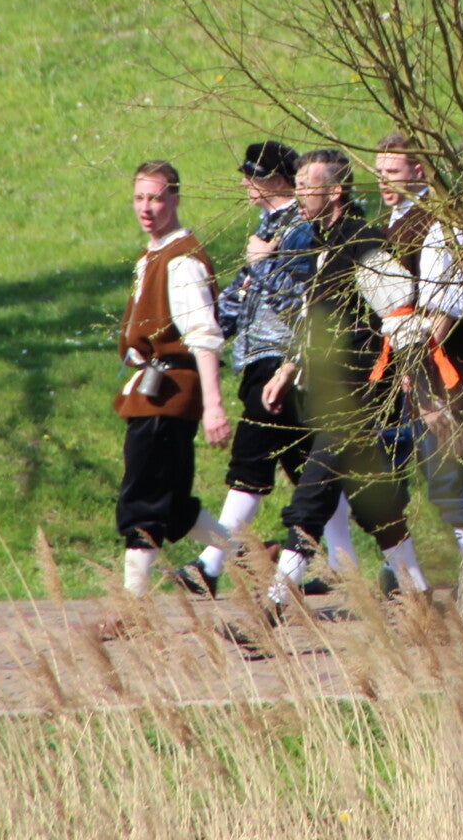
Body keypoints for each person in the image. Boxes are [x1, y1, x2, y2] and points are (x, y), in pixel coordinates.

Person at [257, 149, 430, 608]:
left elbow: (399, 305)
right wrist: (289, 367)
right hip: (329, 392)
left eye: (305, 187)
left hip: (358, 394)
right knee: (376, 504)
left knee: (310, 497)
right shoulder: (322, 243)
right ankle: (420, 597)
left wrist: (413, 379)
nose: (297, 196)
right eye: (295, 187)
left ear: (334, 191)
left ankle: (275, 604)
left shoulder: (361, 240)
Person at [183, 142, 355, 596]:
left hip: (282, 362)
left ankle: (210, 564)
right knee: (309, 472)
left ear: (274, 179)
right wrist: (202, 336)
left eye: (252, 173)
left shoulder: (298, 231)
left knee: (252, 459)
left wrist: (261, 265)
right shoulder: (269, 228)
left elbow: (297, 303)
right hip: (261, 362)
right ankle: (346, 566)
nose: (244, 182)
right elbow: (240, 296)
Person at [106, 161, 234, 623]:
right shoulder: (153, 255)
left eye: (156, 198)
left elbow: (204, 336)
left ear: (175, 199)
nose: (147, 208)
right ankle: (253, 560)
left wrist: (213, 406)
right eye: (140, 198)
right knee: (174, 504)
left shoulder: (182, 260)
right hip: (150, 391)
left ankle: (132, 610)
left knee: (143, 500)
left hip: (167, 396)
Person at [374, 133, 463, 561]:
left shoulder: (437, 223)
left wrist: (422, 380)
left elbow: (444, 307)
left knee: (447, 481)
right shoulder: (393, 221)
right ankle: (399, 573)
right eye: (379, 172)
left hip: (439, 370)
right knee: (398, 478)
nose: (383, 181)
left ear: (419, 170)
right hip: (404, 368)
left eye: (393, 171)